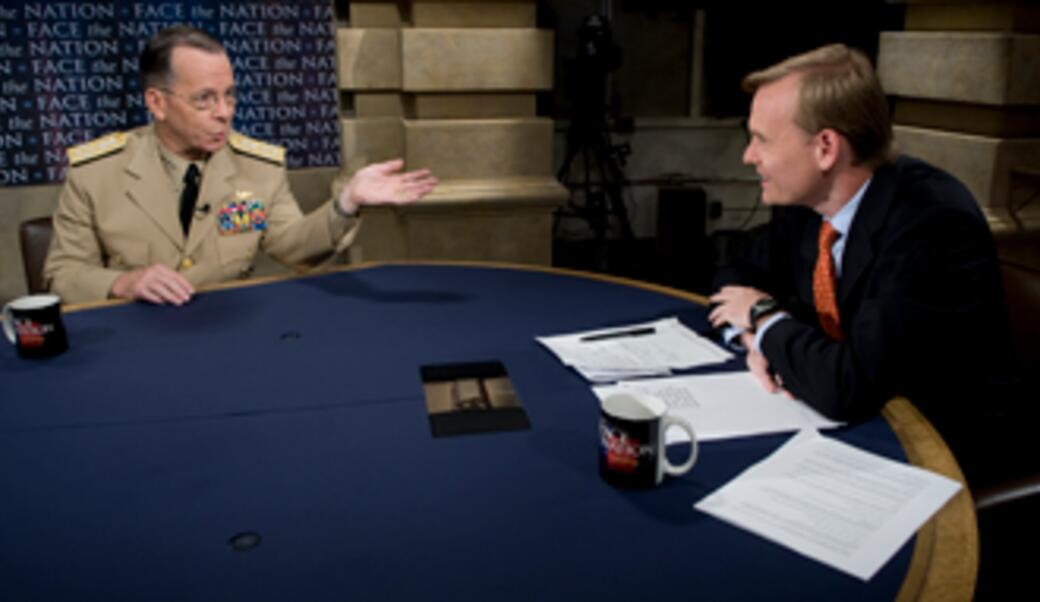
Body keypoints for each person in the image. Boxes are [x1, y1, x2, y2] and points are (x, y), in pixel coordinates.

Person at [707, 44, 1020, 486]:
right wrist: (754, 337)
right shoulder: (808, 202)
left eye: (762, 139)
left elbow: (848, 385)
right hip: (852, 426)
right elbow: (734, 280)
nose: (748, 156)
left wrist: (764, 319)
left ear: (826, 148)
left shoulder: (930, 221)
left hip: (940, 456)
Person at [44, 25, 437, 305]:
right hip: (134, 337)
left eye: (229, 96)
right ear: (157, 103)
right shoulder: (95, 173)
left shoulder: (259, 168)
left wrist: (347, 204)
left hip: (229, 333)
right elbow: (62, 275)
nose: (224, 113)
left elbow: (293, 248)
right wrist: (124, 282)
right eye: (204, 99)